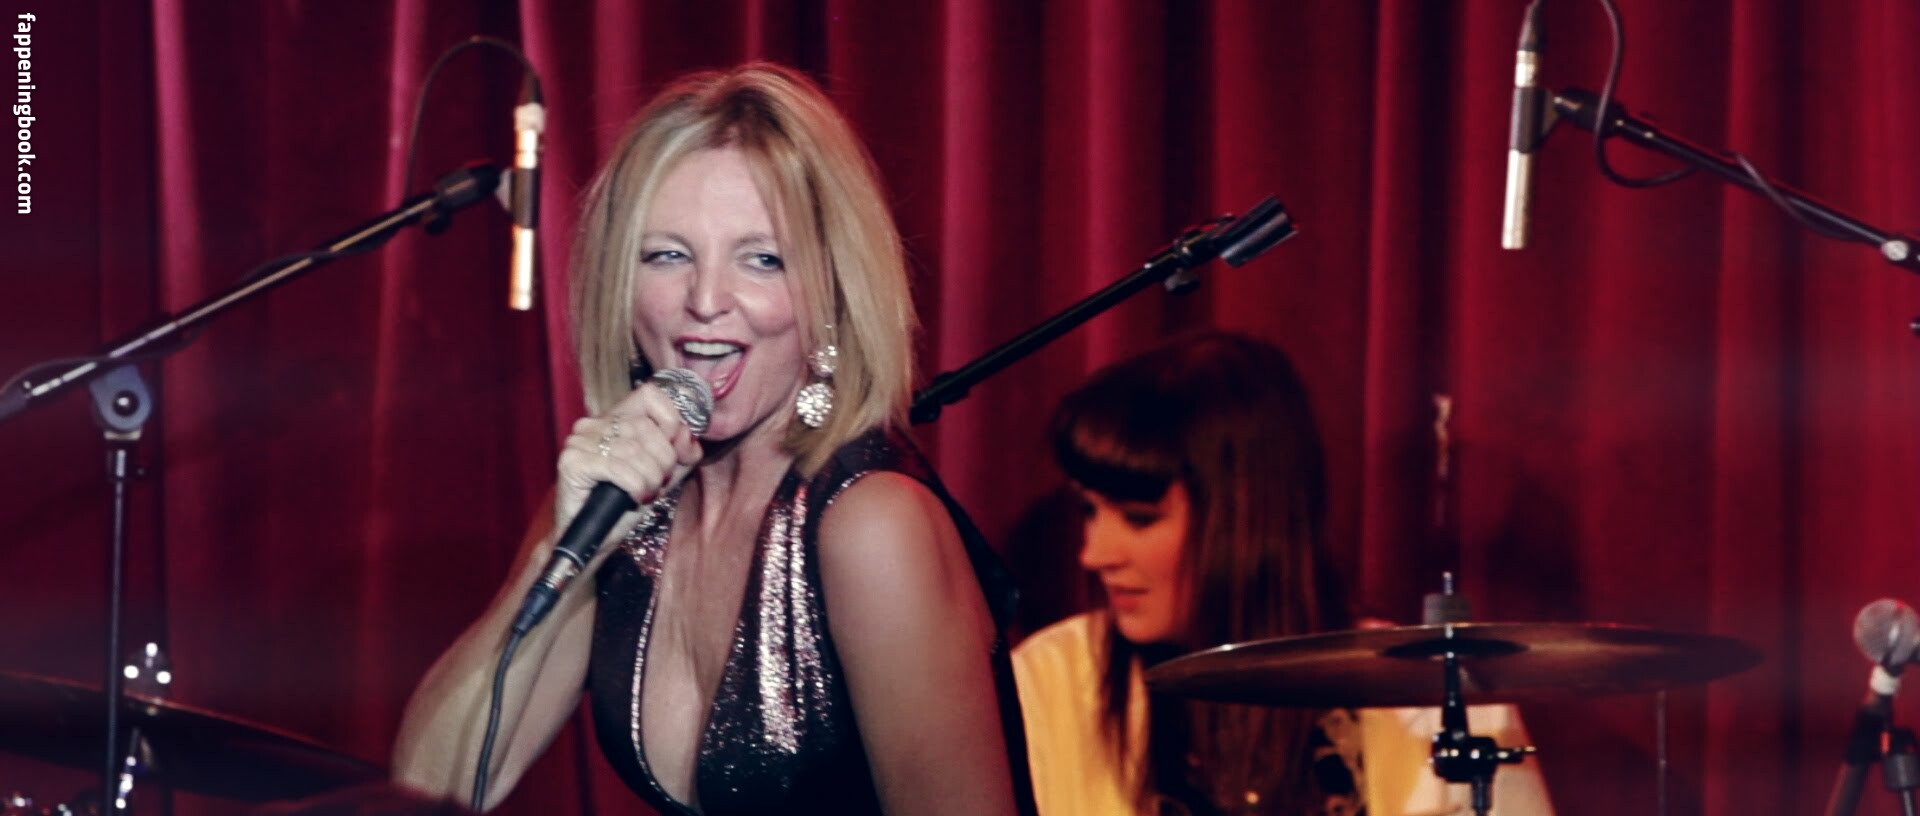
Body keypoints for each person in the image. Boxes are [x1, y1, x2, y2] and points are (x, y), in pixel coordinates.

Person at [391, 63, 1033, 815]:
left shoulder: (871, 523)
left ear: (832, 289)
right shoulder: (625, 495)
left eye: (762, 259)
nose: (704, 300)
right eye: (667, 255)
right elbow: (426, 790)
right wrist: (554, 554)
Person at [1012, 332, 1552, 815]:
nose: (1094, 554)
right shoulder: (1049, 680)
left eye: (1139, 518)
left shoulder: (1432, 699)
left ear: (1246, 518)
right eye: (1088, 510)